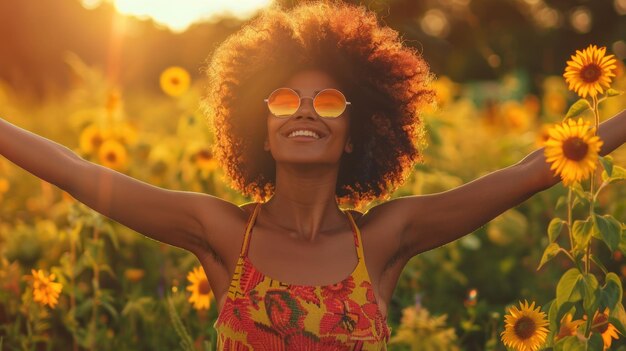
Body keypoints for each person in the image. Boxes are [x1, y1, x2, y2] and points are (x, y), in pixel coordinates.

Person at [1, 1, 625, 350]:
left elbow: (531, 171)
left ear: (358, 129)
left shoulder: (384, 239)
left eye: (327, 102)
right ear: (258, 125)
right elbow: (77, 172)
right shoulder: (218, 231)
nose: (303, 111)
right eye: (282, 101)